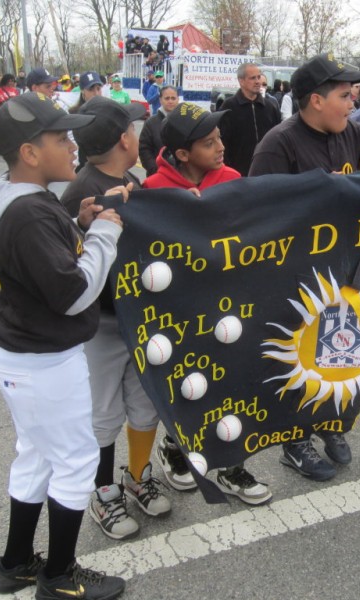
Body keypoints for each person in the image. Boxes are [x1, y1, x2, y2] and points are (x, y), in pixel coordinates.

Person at [0, 91, 127, 600]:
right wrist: (102, 234)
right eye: (61, 138)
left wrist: (77, 225)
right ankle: (59, 577)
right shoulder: (31, 214)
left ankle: (15, 564)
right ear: (30, 153)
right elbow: (74, 294)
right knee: (76, 460)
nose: (73, 144)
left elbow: (42, 265)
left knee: (35, 455)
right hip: (42, 358)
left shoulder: (19, 198)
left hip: (22, 354)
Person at [249, 53, 360, 481]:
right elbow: (258, 215)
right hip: (295, 276)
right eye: (345, 94)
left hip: (340, 269)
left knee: (339, 351)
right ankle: (294, 440)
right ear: (316, 101)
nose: (353, 101)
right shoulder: (278, 144)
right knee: (298, 360)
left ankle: (329, 423)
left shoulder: (351, 130)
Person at [141, 102, 272, 505]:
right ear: (182, 154)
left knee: (234, 387)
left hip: (233, 307)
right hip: (181, 311)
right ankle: (175, 447)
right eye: (209, 142)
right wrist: (183, 216)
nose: (221, 147)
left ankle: (232, 465)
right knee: (189, 387)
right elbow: (145, 260)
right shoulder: (153, 192)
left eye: (220, 138)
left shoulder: (232, 178)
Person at [59, 96, 176, 538]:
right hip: (102, 322)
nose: (139, 133)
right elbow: (68, 258)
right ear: (125, 138)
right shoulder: (81, 188)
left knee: (145, 402)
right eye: (134, 127)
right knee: (104, 412)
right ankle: (103, 490)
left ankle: (138, 475)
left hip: (138, 316)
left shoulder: (131, 179)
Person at [219, 63, 281, 176]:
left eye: (258, 77)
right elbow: (222, 142)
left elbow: (278, 138)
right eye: (253, 78)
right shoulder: (228, 107)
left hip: (266, 172)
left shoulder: (270, 107)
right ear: (241, 81)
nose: (258, 81)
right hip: (238, 174)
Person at [139, 85, 179, 175]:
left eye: (173, 98)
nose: (170, 101)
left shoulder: (184, 120)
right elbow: (144, 149)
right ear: (160, 100)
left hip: (180, 176)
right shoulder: (150, 123)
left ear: (178, 99)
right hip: (157, 175)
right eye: (167, 98)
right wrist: (155, 170)